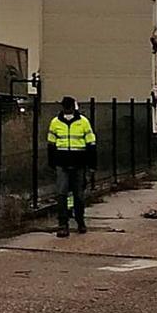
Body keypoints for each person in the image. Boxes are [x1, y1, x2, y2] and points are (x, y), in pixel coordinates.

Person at [47, 96, 96, 237]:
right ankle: (63, 224)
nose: (67, 109)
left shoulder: (83, 122)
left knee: (78, 195)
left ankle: (79, 222)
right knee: (63, 195)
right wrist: (53, 163)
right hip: (63, 163)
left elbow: (91, 144)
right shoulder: (56, 123)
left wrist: (91, 163)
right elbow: (51, 145)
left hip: (78, 163)